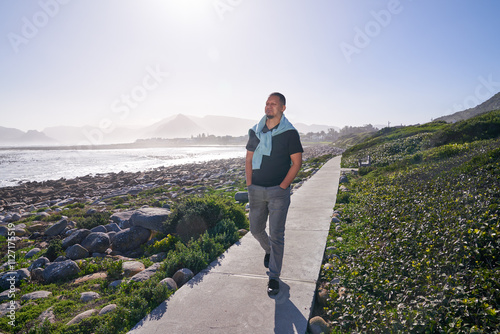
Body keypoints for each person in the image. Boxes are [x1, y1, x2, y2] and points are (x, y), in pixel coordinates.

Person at [245, 92, 303, 296]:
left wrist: (283, 186)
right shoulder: (255, 131)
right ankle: (269, 250)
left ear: (283, 108)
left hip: (279, 193)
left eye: (274, 104)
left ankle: (274, 277)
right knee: (255, 229)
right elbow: (249, 159)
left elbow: (297, 163)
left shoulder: (290, 133)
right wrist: (250, 184)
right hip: (256, 190)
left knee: (277, 235)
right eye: (267, 103)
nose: (269, 107)